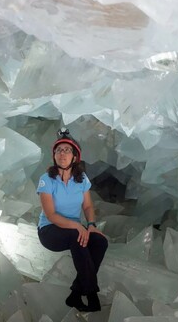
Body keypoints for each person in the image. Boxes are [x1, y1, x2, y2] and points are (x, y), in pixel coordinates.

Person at [36, 128, 108, 312]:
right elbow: (51, 215)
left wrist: (90, 225)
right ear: (54, 155)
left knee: (99, 241)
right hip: (50, 231)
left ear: (75, 157)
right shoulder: (46, 180)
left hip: (74, 228)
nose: (62, 153)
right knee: (76, 236)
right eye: (59, 150)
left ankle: (75, 294)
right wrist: (78, 226)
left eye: (67, 150)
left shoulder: (81, 179)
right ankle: (91, 293)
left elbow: (88, 206)